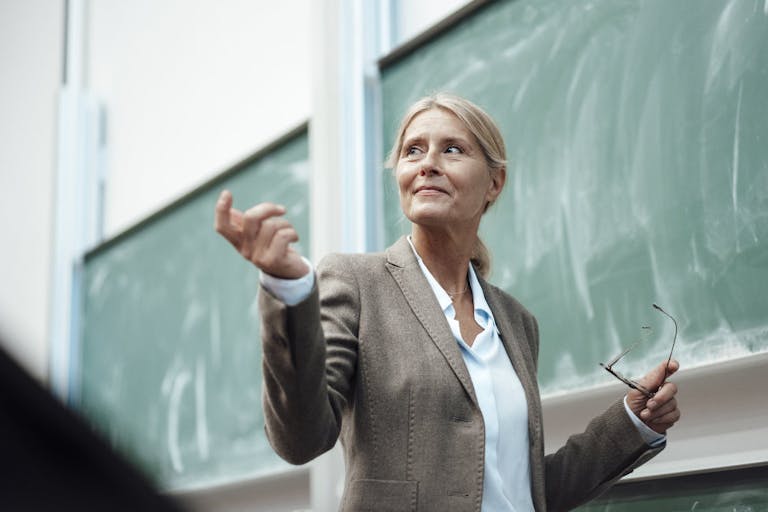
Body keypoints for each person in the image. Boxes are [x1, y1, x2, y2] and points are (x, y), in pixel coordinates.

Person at [214, 93, 681, 512]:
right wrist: (289, 290)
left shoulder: (517, 322)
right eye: (413, 150)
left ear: (494, 184)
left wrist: (630, 424)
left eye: (452, 150)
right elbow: (300, 439)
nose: (428, 163)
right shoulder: (357, 283)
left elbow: (525, 491)